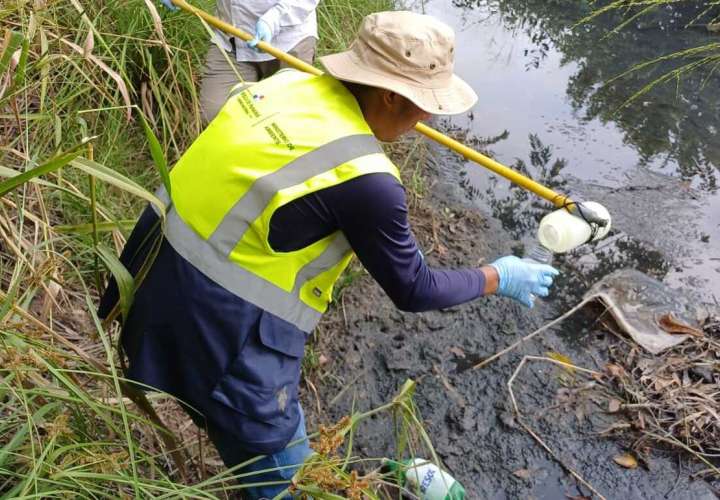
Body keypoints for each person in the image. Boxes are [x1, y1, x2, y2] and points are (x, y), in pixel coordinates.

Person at [100, 11, 559, 499]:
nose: (426, 118)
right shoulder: (370, 182)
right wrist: (496, 276)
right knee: (292, 482)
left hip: (148, 269)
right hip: (218, 324)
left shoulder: (284, 86)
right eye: (424, 104)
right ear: (387, 94)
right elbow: (414, 288)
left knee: (225, 426)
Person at [162, 0, 319, 122]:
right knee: (214, 115)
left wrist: (273, 19)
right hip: (231, 39)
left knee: (288, 118)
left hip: (289, 41)